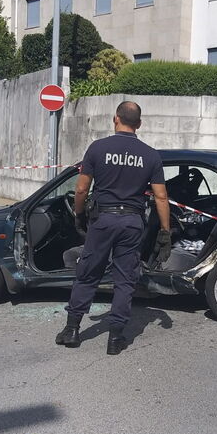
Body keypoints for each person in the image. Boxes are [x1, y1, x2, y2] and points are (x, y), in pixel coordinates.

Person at [55, 101, 172, 355]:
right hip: (132, 222)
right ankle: (115, 337)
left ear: (115, 119)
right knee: (125, 278)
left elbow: (81, 189)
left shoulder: (98, 148)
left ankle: (72, 330)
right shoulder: (151, 155)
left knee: (88, 272)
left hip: (103, 220)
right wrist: (165, 231)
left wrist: (79, 215)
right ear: (139, 124)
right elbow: (161, 197)